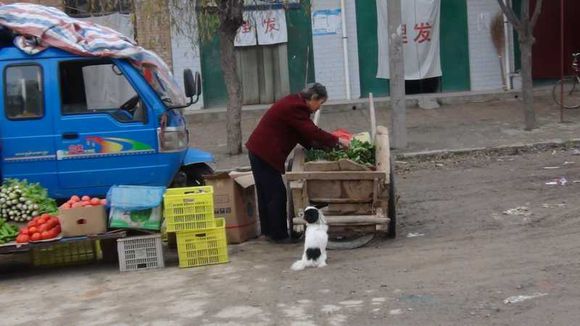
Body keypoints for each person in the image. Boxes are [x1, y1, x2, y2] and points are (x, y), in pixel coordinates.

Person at [246, 83, 349, 243]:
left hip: (258, 150)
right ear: (313, 98)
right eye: (320, 103)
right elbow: (310, 131)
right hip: (264, 152)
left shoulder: (294, 102)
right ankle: (279, 236)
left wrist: (319, 146)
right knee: (276, 194)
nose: (318, 108)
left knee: (266, 192)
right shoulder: (296, 108)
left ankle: (269, 231)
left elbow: (301, 133)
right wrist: (336, 140)